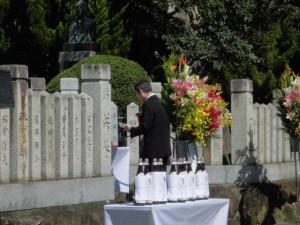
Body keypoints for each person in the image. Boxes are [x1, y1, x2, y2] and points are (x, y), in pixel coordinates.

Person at [124, 80, 171, 171]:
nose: (138, 97)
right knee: (161, 178)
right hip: (164, 148)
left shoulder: (148, 105)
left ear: (141, 91)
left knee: (148, 179)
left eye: (137, 94)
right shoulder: (162, 102)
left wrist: (131, 129)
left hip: (153, 150)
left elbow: (145, 127)